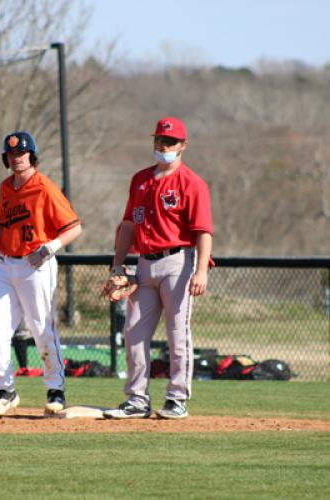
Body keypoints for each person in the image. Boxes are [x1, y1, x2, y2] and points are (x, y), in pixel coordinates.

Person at [103, 116, 213, 420]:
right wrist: (117, 264)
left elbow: (203, 231)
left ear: (183, 145)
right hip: (144, 263)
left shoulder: (192, 183)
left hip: (178, 262)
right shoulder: (140, 179)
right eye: (159, 140)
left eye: (170, 141)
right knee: (134, 332)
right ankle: (137, 399)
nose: (163, 146)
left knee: (178, 333)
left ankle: (177, 398)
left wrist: (201, 270)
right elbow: (127, 225)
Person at [0, 131, 82, 419]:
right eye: (12, 154)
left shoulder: (44, 187)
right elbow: (5, 225)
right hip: (7, 266)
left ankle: (56, 390)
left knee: (42, 329)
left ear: (32, 156)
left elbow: (74, 228)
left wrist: (49, 248)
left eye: (22, 153)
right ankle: (5, 391)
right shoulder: (6, 188)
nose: (17, 158)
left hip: (36, 265)